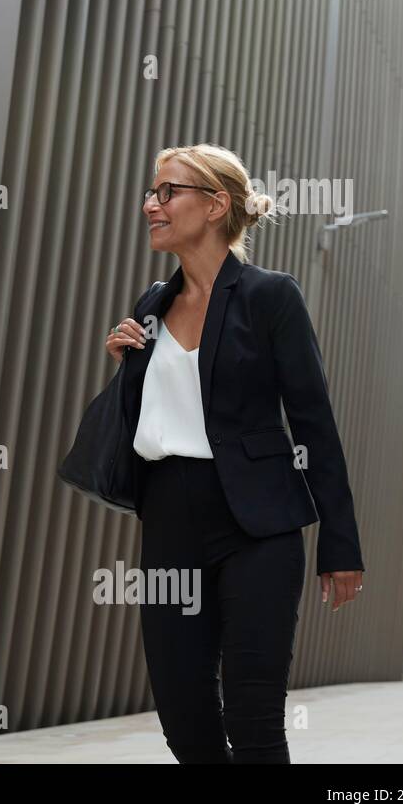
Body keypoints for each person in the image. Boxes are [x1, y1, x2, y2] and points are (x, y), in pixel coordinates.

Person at [105, 143, 364, 763]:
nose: (151, 205)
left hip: (259, 527)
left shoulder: (271, 296)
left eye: (168, 192)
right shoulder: (152, 306)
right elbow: (156, 418)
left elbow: (314, 424)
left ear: (216, 204)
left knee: (253, 723)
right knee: (187, 727)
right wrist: (127, 367)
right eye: (152, 192)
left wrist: (341, 542)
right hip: (170, 523)